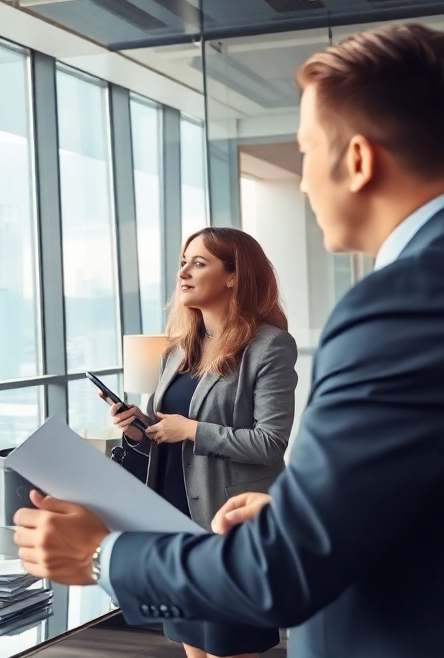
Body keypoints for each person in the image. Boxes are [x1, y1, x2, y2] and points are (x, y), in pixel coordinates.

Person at [12, 24, 444, 657]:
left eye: (307, 151)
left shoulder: (407, 302)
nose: (304, 182)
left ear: (358, 160)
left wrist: (100, 554)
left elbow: (287, 570)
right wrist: (299, 512)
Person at [108, 227, 296, 658]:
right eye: (183, 263)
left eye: (199, 263)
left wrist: (192, 429)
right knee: (192, 646)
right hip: (175, 522)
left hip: (229, 526)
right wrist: (137, 429)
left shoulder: (269, 346)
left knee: (230, 648)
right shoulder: (176, 351)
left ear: (233, 276)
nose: (183, 274)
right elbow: (165, 435)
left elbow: (270, 443)